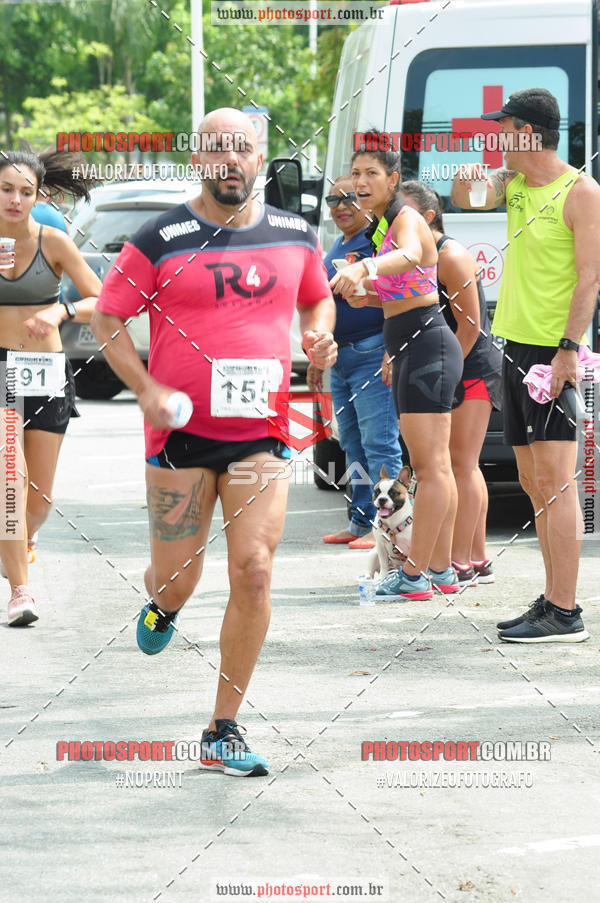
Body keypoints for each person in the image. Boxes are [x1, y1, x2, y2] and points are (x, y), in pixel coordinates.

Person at [91, 108, 337, 776]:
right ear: (199, 158)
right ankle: (162, 604)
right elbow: (108, 314)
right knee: (178, 577)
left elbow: (318, 298)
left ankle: (222, 727)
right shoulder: (161, 236)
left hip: (260, 433)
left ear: (262, 158)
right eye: (218, 150)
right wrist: (143, 388)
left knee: (254, 568)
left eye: (244, 149)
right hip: (179, 435)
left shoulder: (294, 234)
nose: (232, 160)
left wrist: (321, 335)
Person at [451, 87, 600, 642]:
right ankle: (552, 598)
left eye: (502, 127)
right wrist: (472, 178)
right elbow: (468, 199)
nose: (494, 136)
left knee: (557, 482)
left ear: (526, 133)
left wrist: (567, 350)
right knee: (532, 480)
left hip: (551, 351)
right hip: (512, 344)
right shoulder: (514, 186)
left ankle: (565, 611)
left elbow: (590, 278)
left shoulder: (582, 193)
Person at [331, 136, 463, 601]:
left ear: (393, 179)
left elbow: (409, 256)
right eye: (356, 173)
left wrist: (365, 268)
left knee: (431, 468)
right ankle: (442, 571)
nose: (360, 183)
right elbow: (408, 285)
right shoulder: (384, 224)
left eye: (372, 174)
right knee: (434, 467)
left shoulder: (405, 217)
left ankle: (413, 575)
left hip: (428, 346)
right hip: (410, 346)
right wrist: (366, 294)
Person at [0, 149, 101, 627]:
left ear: (39, 195)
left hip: (47, 373)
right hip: (2, 375)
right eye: (6, 190)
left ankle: (22, 538)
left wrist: (60, 311)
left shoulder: (55, 242)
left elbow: (103, 299)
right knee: (8, 482)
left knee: (37, 500)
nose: (15, 199)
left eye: (25, 191)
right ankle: (20, 591)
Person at [401, 180, 502, 586]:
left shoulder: (449, 255)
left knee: (461, 463)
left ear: (428, 217)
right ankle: (476, 558)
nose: (395, 224)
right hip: (450, 365)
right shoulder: (417, 255)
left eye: (404, 214)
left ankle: (461, 559)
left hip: (472, 364)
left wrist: (446, 372)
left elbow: (471, 326)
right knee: (460, 463)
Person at [309, 175, 403, 550]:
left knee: (380, 443)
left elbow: (400, 295)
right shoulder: (339, 245)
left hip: (372, 353)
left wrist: (391, 347)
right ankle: (361, 521)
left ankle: (389, 528)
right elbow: (325, 303)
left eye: (349, 197)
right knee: (350, 442)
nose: (341, 206)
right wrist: (319, 358)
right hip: (342, 357)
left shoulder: (379, 242)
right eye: (332, 200)